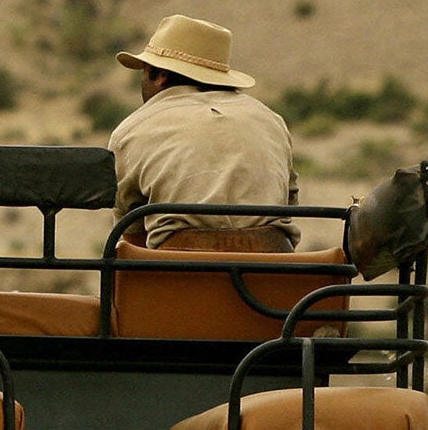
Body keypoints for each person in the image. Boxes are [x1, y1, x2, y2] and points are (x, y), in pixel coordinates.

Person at [108, 14, 298, 252]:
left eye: (145, 70)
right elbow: (289, 204)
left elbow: (132, 235)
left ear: (161, 75)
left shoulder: (132, 130)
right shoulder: (271, 120)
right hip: (273, 276)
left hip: (179, 280)